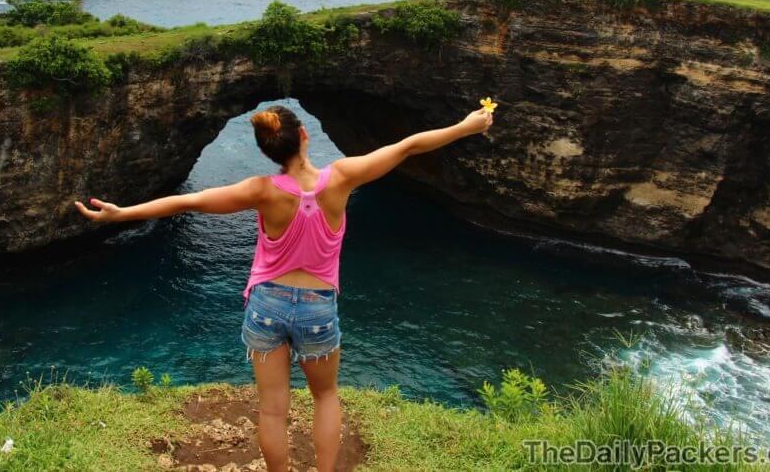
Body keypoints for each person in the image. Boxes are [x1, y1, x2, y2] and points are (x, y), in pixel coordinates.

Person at [75, 103, 494, 472]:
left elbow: (188, 201)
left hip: (266, 306)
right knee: (325, 396)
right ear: (304, 136)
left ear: (267, 151)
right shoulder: (342, 177)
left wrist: (121, 213)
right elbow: (407, 147)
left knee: (273, 410)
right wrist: (466, 126)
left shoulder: (262, 191)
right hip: (317, 307)